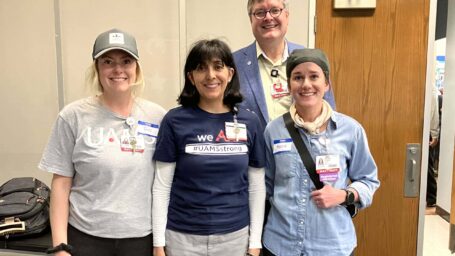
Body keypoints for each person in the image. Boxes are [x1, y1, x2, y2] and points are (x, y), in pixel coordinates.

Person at [38, 28, 166, 256]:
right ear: (97, 68)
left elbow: (164, 184)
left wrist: (160, 243)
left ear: (136, 68)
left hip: (141, 240)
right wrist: (59, 247)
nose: (118, 69)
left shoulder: (157, 117)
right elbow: (61, 184)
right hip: (86, 238)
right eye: (108, 61)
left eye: (126, 61)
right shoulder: (73, 117)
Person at [152, 39, 266, 256]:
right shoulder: (174, 120)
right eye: (201, 68)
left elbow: (257, 187)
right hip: (182, 238)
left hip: (235, 237)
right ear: (191, 77)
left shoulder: (249, 122)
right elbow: (161, 187)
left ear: (230, 74)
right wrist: (159, 244)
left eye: (218, 66)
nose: (210, 75)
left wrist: (255, 243)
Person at [262, 48, 380, 256]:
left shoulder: (350, 130)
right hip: (281, 245)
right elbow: (267, 186)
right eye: (298, 77)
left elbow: (369, 180)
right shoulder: (273, 130)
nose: (306, 84)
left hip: (332, 247)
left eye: (314, 76)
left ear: (327, 84)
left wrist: (344, 194)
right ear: (289, 85)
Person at [233, 0, 336, 130]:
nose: (268, 17)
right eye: (260, 12)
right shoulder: (233, 64)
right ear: (250, 20)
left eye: (275, 10)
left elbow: (329, 114)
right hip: (253, 149)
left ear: (287, 16)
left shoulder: (310, 61)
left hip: (304, 148)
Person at [426, 86, 441, 207]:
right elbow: (434, 113)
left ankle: (432, 196)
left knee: (427, 165)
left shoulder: (432, 90)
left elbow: (434, 112)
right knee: (427, 165)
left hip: (426, 130)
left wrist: (434, 133)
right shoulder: (432, 89)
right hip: (426, 130)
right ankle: (431, 197)